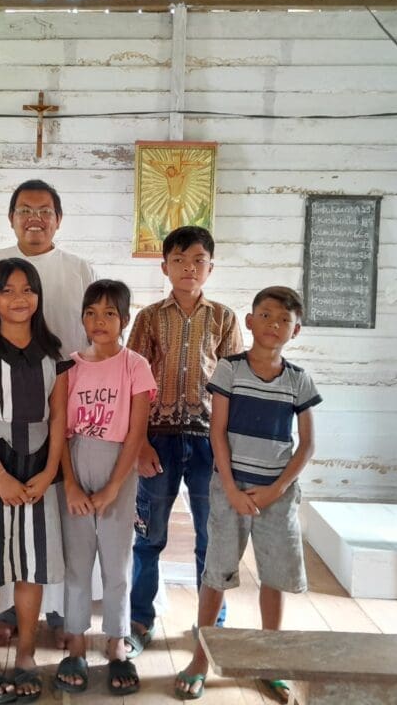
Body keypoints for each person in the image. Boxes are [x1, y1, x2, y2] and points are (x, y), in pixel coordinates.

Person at [0, 179, 96, 647]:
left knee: (49, 528)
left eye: (44, 210)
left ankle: (59, 613)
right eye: (25, 210)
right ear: (11, 217)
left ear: (58, 218)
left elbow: (92, 337)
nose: (34, 218)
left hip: (61, 408)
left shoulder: (79, 269)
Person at [176, 286, 320, 701]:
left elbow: (307, 444)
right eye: (267, 316)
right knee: (216, 572)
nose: (274, 325)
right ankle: (200, 658)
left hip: (276, 495)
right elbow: (216, 432)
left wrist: (276, 489)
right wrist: (230, 488)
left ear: (296, 331)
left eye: (285, 320)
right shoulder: (230, 370)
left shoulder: (298, 379)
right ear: (250, 321)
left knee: (273, 576)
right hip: (230, 491)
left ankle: (270, 661)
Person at [125, 226, 244, 660]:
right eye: (178, 260)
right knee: (148, 535)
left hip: (209, 442)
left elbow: (234, 388)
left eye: (198, 260)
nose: (188, 268)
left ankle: (211, 626)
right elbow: (133, 385)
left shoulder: (225, 319)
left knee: (210, 537)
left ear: (210, 267)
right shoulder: (149, 318)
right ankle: (138, 620)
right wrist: (138, 443)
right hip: (157, 439)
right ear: (164, 267)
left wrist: (227, 453)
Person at [0, 258, 71, 705]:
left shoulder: (53, 352)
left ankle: (26, 655)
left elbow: (60, 417)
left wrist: (48, 472)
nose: (18, 298)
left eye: (27, 289)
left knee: (33, 564)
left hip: (41, 468)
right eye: (7, 290)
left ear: (39, 296)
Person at [54, 280, 156, 697]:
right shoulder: (69, 367)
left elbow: (136, 432)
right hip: (76, 461)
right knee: (77, 563)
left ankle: (116, 644)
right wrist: (72, 486)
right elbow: (59, 431)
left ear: (125, 320)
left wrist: (115, 485)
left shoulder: (135, 365)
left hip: (119, 466)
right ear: (82, 318)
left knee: (117, 563)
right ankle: (75, 641)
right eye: (92, 312)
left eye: (110, 313)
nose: (99, 321)